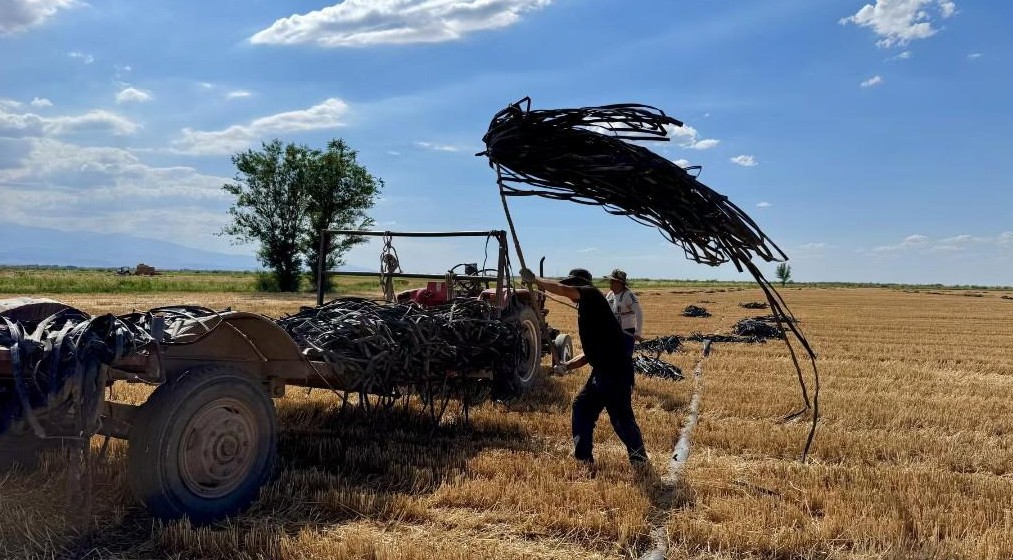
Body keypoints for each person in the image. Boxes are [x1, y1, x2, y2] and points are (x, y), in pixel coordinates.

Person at [519, 266, 648, 471]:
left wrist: (536, 280)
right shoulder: (589, 310)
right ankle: (584, 459)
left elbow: (560, 289)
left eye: (572, 287)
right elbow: (590, 353)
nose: (570, 292)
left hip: (615, 371)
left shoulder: (592, 295)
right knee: (584, 408)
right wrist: (567, 366)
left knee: (620, 418)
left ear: (579, 286)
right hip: (604, 370)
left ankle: (639, 461)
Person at [604, 268, 643, 359]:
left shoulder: (628, 295)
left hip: (626, 333)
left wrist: (638, 332)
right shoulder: (610, 294)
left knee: (624, 358)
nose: (610, 283)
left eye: (612, 281)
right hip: (612, 331)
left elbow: (639, 313)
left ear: (619, 283)